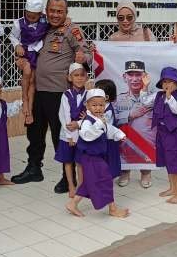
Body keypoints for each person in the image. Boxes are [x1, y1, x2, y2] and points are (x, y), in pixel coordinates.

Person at [11, 0, 91, 192]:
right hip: (38, 91)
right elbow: (26, 49)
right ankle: (33, 168)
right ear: (46, 11)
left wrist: (83, 57)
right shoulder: (42, 27)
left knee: (61, 135)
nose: (55, 15)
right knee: (35, 133)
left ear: (66, 13)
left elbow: (87, 53)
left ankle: (68, 176)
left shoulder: (72, 30)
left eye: (60, 11)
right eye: (52, 10)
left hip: (60, 94)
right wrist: (19, 60)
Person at [65, 89, 129, 218]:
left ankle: (73, 204)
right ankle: (112, 208)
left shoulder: (100, 119)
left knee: (89, 182)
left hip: (97, 157)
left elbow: (109, 129)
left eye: (101, 105)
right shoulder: (88, 121)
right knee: (105, 180)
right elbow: (87, 135)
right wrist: (99, 123)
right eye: (94, 105)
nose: (98, 108)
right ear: (87, 105)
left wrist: (119, 134)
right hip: (91, 158)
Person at [138, 67, 177, 203]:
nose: (167, 84)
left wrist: (169, 97)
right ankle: (172, 188)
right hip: (162, 133)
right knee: (168, 161)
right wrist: (145, 87)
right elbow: (144, 101)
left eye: (171, 82)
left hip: (174, 134)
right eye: (165, 81)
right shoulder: (158, 95)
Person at [114, 60, 155, 188]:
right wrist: (129, 115)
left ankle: (146, 173)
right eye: (131, 75)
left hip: (147, 144)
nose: (135, 79)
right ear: (124, 77)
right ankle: (125, 172)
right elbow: (111, 119)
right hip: (126, 144)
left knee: (146, 156)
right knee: (124, 155)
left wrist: (146, 89)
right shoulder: (119, 99)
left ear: (145, 77)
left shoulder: (153, 97)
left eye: (139, 75)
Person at [9, 0, 50, 123]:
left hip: (38, 52)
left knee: (33, 81)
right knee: (26, 72)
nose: (30, 18)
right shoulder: (18, 23)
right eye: (28, 15)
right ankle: (24, 98)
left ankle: (29, 108)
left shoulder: (45, 20)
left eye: (34, 17)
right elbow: (12, 36)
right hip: (25, 52)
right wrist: (17, 46)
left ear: (40, 14)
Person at [55, 63, 88, 198]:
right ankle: (71, 185)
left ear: (86, 77)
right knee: (68, 161)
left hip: (82, 133)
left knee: (80, 161)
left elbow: (90, 115)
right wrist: (70, 136)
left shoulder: (89, 95)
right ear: (70, 78)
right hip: (67, 135)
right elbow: (64, 116)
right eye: (76, 75)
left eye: (82, 75)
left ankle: (81, 186)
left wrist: (79, 123)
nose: (79, 78)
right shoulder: (66, 95)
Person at [96, 78, 122, 180]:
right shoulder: (101, 107)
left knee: (107, 164)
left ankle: (106, 184)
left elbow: (103, 126)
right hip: (101, 141)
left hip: (107, 143)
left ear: (106, 97)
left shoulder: (108, 110)